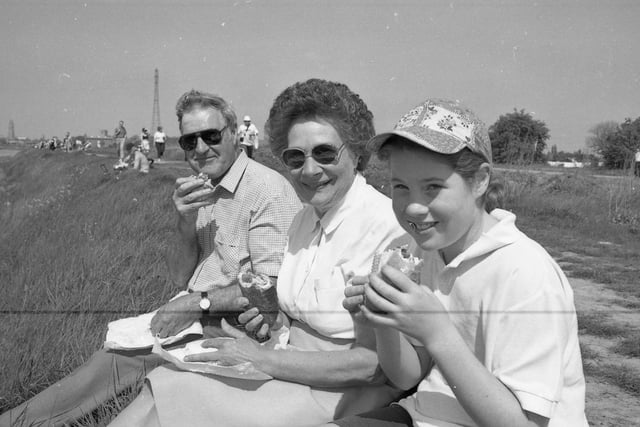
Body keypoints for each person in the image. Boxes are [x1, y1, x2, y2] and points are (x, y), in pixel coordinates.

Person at [107, 78, 412, 427]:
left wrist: (263, 360)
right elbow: (289, 310)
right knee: (162, 387)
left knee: (176, 397)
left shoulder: (386, 229)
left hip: (340, 392)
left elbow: (375, 367)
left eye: (325, 153)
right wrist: (269, 322)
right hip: (288, 362)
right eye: (295, 157)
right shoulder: (304, 220)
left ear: (357, 153)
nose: (310, 170)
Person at [0, 90, 302, 427]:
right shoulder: (203, 188)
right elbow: (179, 275)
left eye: (211, 136)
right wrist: (184, 221)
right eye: (190, 141)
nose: (201, 148)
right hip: (200, 315)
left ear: (235, 134)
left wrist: (195, 305)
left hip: (235, 329)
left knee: (119, 373)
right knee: (107, 363)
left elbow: (269, 288)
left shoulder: (267, 191)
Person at [330, 99, 588, 427]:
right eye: (400, 187)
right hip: (424, 414)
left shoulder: (525, 273)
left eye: (433, 187)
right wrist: (381, 321)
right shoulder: (413, 250)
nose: (412, 208)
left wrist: (438, 333)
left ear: (479, 181)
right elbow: (407, 376)